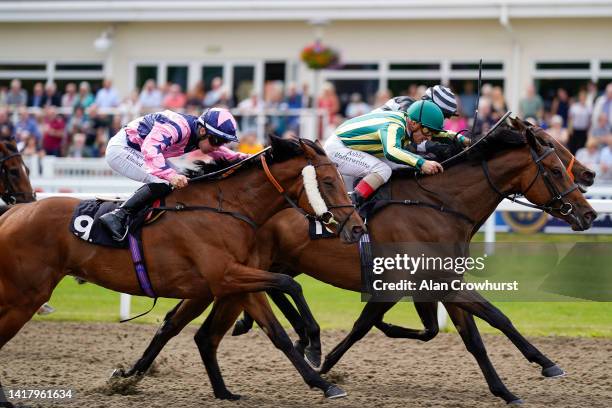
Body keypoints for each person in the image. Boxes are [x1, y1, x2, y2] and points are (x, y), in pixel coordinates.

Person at [100, 107, 247, 240]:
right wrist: (170, 176)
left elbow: (221, 153)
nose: (218, 147)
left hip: (140, 151)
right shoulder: (178, 127)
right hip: (122, 149)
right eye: (217, 141)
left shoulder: (200, 134)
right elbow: (150, 149)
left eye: (222, 143)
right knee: (167, 180)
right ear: (203, 131)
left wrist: (247, 158)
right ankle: (118, 216)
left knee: (181, 179)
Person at [324, 100, 447, 206]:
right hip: (337, 149)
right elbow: (391, 151)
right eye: (427, 131)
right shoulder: (394, 126)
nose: (429, 137)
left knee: (404, 165)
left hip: (350, 148)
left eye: (432, 133)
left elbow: (441, 133)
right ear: (414, 124)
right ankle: (352, 204)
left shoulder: (406, 121)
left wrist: (460, 139)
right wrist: (422, 163)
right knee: (383, 170)